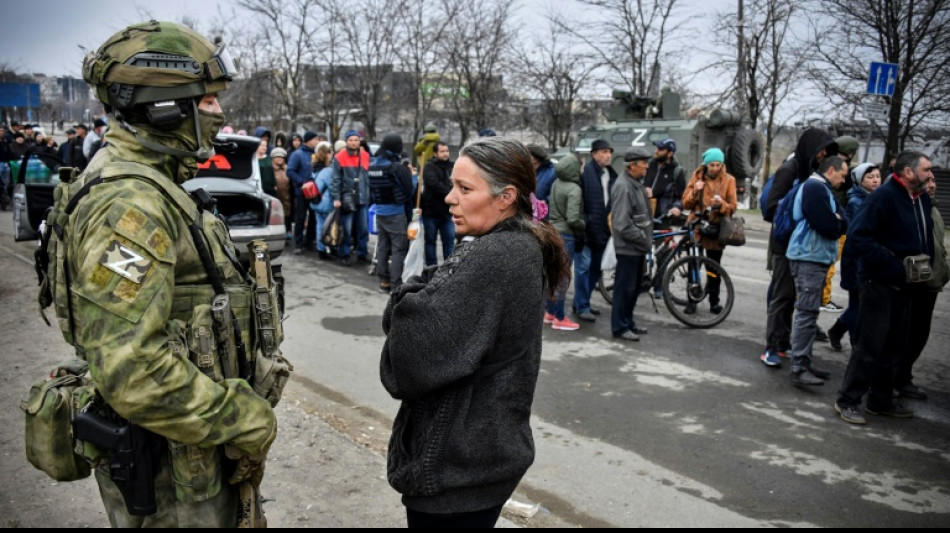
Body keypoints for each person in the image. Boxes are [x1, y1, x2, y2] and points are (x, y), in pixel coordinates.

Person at [42, 20, 280, 526]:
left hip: (188, 451)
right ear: (165, 108)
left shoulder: (153, 184)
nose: (219, 111)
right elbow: (133, 370)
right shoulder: (130, 205)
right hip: (172, 471)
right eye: (208, 99)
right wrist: (243, 417)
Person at [380, 137, 568, 528]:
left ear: (505, 197)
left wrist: (404, 302)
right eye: (453, 185)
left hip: (454, 467)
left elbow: (409, 356)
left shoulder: (493, 257)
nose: (450, 198)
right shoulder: (517, 243)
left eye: (465, 189)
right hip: (480, 456)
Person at [835, 151, 935, 425]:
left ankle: (880, 401)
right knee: (870, 346)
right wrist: (894, 264)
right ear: (908, 172)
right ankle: (848, 400)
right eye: (925, 169)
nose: (930, 174)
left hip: (907, 286)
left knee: (895, 347)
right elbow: (858, 237)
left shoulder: (922, 198)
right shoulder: (883, 197)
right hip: (878, 283)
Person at [760, 128, 837, 366]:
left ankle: (783, 342)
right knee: (782, 296)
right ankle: (771, 347)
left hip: (802, 246)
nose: (823, 155)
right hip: (785, 244)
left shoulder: (812, 172)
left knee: (793, 296)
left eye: (826, 152)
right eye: (821, 150)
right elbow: (771, 207)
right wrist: (800, 216)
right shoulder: (789, 170)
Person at [784, 155, 848, 387]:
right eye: (842, 175)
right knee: (806, 313)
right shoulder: (815, 187)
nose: (843, 180)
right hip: (809, 257)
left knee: (810, 313)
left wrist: (838, 221)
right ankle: (799, 367)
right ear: (831, 170)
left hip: (814, 256)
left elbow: (844, 221)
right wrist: (837, 221)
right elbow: (830, 226)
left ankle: (806, 362)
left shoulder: (822, 188)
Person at [893, 178, 948, 400]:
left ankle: (903, 377)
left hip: (930, 282)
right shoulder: (910, 207)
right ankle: (896, 379)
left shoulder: (931, 208)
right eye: (927, 179)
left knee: (919, 334)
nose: (933, 184)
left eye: (935, 180)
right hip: (914, 282)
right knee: (907, 334)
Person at [828, 163, 881, 351]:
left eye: (877, 176)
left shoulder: (874, 199)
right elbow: (855, 234)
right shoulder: (856, 202)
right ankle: (855, 344)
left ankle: (837, 329)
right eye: (870, 177)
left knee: (860, 304)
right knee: (857, 305)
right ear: (859, 181)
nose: (875, 180)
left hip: (867, 260)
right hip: (856, 261)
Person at [681, 148, 738, 315]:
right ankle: (692, 300)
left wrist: (722, 206)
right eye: (711, 165)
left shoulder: (729, 180)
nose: (714, 168)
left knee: (713, 269)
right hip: (696, 226)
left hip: (715, 228)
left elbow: (733, 207)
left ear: (722, 165)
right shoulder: (697, 177)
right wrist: (695, 191)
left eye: (717, 165)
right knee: (693, 266)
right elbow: (685, 203)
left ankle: (714, 301)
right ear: (706, 165)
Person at [610, 147, 653, 341]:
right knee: (624, 289)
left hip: (637, 248)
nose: (646, 166)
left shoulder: (634, 183)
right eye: (643, 162)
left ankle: (628, 322)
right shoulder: (624, 186)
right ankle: (620, 327)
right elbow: (621, 224)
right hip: (629, 248)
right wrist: (643, 239)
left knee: (633, 289)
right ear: (632, 165)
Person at [575, 139, 617, 322]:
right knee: (583, 269)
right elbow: (580, 201)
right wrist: (584, 222)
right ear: (593, 154)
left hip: (603, 230)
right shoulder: (586, 173)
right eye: (603, 152)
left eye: (609, 152)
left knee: (596, 269)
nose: (607, 155)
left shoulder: (611, 174)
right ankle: (582, 305)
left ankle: (582, 302)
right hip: (587, 229)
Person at [545, 153, 585, 331]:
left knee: (553, 275)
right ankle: (559, 318)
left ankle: (550, 312)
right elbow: (573, 218)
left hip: (552, 232)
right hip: (567, 235)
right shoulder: (574, 189)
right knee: (563, 277)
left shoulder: (556, 183)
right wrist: (584, 224)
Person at [820, 135, 860, 312]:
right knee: (829, 264)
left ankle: (822, 297)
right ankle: (824, 298)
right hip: (836, 223)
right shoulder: (840, 171)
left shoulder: (828, 165)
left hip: (835, 221)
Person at [370, 134, 414, 293]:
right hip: (396, 213)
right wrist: (411, 174)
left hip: (380, 212)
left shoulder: (373, 166)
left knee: (382, 247)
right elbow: (410, 189)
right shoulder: (396, 168)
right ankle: (396, 285)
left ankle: (384, 282)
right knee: (398, 249)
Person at [331, 129, 371, 265]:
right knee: (346, 229)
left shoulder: (365, 155)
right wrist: (336, 198)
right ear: (346, 141)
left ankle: (362, 253)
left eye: (356, 140)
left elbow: (368, 177)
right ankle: (345, 253)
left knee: (363, 228)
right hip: (347, 198)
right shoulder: (339, 157)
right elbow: (335, 179)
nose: (354, 143)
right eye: (351, 140)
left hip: (363, 197)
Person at [420, 141, 455, 266]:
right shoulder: (429, 167)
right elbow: (434, 185)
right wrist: (452, 193)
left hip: (448, 212)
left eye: (446, 151)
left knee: (449, 241)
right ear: (435, 153)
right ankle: (431, 268)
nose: (445, 154)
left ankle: (449, 268)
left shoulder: (453, 166)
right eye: (442, 151)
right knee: (430, 241)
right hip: (431, 212)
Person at [289, 131, 319, 253]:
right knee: (300, 217)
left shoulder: (316, 154)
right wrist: (302, 183)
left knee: (313, 218)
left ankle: (309, 242)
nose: (317, 141)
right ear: (309, 140)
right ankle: (298, 244)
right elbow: (290, 171)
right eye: (316, 139)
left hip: (315, 191)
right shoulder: (297, 154)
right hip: (301, 192)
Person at [646, 138, 686, 223]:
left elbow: (682, 197)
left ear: (670, 153)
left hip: (664, 218)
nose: (656, 151)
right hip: (645, 216)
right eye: (657, 148)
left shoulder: (677, 171)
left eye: (660, 149)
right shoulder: (648, 166)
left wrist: (676, 207)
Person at [310, 142, 336, 260]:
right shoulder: (328, 171)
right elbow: (332, 188)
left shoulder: (315, 167)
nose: (332, 154)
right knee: (328, 227)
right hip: (326, 203)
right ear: (326, 155)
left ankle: (321, 250)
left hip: (315, 201)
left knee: (319, 226)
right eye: (330, 152)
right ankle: (329, 248)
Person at [271, 147, 294, 240]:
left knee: (287, 213)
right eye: (277, 157)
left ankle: (288, 230)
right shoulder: (271, 169)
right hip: (276, 195)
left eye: (281, 157)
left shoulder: (287, 168)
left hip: (287, 194)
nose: (280, 159)